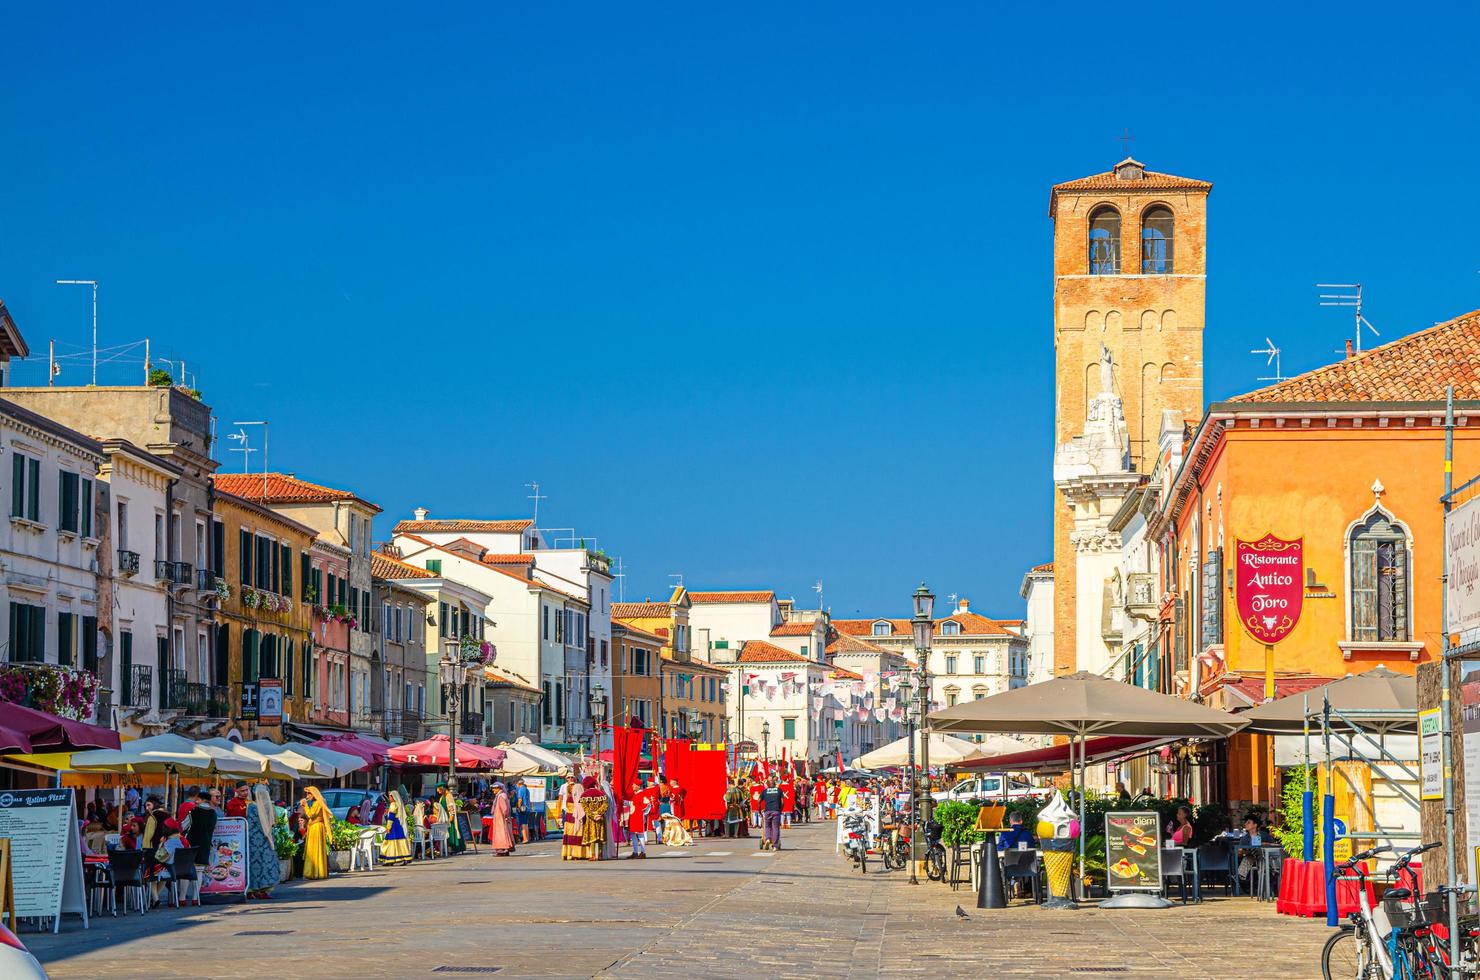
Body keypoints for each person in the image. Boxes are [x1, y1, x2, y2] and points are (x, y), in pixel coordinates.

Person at [246, 784, 282, 900]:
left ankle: (251, 890)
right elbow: (275, 822)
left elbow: (249, 823)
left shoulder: (251, 807)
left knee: (253, 864)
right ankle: (263, 890)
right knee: (265, 864)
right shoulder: (269, 806)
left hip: (252, 840)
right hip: (267, 839)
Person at [148, 817, 190, 907]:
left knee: (148, 873)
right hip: (185, 870)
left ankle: (155, 898)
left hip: (171, 871)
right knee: (159, 875)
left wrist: (161, 844)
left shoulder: (170, 841)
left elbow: (159, 856)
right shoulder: (184, 840)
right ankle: (154, 899)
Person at [301, 786, 332, 880]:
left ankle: (313, 872)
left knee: (313, 849)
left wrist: (305, 806)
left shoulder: (318, 802)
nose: (307, 796)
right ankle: (315, 872)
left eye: (309, 794)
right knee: (314, 849)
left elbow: (311, 814)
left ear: (314, 794)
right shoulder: (316, 802)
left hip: (317, 827)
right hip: (315, 827)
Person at [183, 788, 218, 869]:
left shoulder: (193, 811)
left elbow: (183, 826)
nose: (195, 801)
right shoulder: (214, 814)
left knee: (188, 869)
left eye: (198, 799)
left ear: (202, 800)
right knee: (200, 869)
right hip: (205, 844)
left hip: (192, 844)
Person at [579, 777, 608, 861]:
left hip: (590, 819)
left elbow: (585, 808)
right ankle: (600, 855)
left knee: (592, 837)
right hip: (601, 818)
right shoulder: (601, 793)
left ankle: (593, 855)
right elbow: (605, 805)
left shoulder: (584, 794)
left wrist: (593, 815)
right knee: (600, 837)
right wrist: (599, 813)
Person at [380, 790, 412, 866]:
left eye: (390, 796)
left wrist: (388, 827)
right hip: (398, 825)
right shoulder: (399, 804)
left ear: (393, 797)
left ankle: (390, 860)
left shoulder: (393, 805)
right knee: (400, 842)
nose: (389, 798)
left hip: (393, 825)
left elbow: (391, 817)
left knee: (390, 842)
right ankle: (405, 858)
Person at [558, 775, 584, 861]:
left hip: (571, 815)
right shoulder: (563, 787)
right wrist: (559, 813)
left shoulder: (576, 789)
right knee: (574, 833)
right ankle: (575, 853)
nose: (570, 779)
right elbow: (560, 799)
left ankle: (570, 853)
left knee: (570, 834)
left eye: (572, 777)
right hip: (570, 814)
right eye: (568, 777)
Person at [626, 780, 654, 858]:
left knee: (640, 834)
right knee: (633, 834)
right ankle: (635, 852)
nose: (633, 786)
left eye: (634, 785)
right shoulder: (634, 794)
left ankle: (643, 852)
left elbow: (647, 804)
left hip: (639, 817)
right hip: (632, 816)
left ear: (638, 786)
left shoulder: (642, 794)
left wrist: (642, 812)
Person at [435, 783, 465, 854]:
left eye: (440, 790)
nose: (439, 792)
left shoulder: (449, 796)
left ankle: (455, 848)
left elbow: (451, 807)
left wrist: (451, 817)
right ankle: (449, 848)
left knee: (452, 831)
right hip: (445, 818)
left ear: (443, 788)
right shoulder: (442, 797)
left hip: (449, 817)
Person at [488, 782, 515, 856]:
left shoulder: (500, 796)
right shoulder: (502, 795)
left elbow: (505, 809)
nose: (493, 790)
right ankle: (505, 850)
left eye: (494, 788)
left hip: (501, 818)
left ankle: (501, 850)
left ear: (498, 788)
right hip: (501, 817)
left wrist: (505, 816)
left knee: (501, 834)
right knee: (504, 833)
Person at [760, 776, 783, 850]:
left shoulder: (765, 791)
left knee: (767, 826)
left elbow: (758, 801)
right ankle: (775, 845)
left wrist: (759, 809)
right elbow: (782, 802)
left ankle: (767, 839)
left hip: (767, 811)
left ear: (769, 785)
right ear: (775, 784)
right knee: (776, 828)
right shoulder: (779, 790)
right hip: (776, 811)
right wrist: (780, 810)